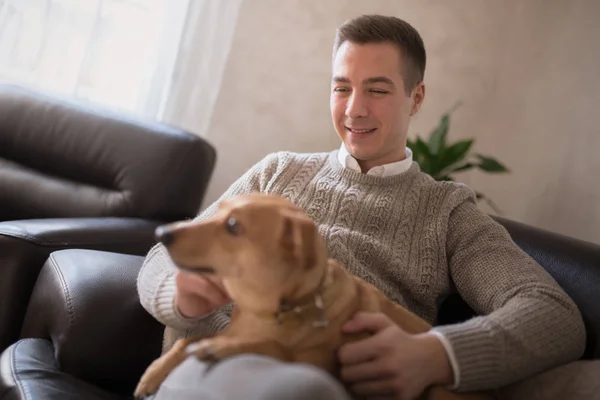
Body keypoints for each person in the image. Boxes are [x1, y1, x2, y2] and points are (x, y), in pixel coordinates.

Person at [137, 14, 585, 400]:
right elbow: (160, 257)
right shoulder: (277, 174)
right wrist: (183, 295)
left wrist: (436, 355)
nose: (354, 109)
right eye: (341, 88)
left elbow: (553, 314)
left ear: (417, 98)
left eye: (377, 90)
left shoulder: (447, 212)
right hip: (213, 371)